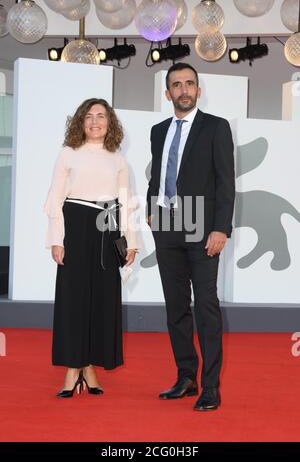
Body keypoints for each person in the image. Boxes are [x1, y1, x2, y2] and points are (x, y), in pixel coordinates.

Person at [146, 63, 235, 411]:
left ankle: (210, 387)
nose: (183, 90)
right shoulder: (158, 130)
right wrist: (153, 208)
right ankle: (186, 376)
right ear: (167, 93)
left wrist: (221, 228)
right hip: (166, 226)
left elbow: (225, 181)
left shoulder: (216, 127)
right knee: (176, 307)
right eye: (176, 85)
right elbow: (159, 173)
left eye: (189, 84)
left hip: (202, 226)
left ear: (199, 90)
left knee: (207, 307)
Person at [44, 98, 139, 397]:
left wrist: (131, 242)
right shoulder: (68, 154)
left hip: (108, 227)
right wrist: (56, 239)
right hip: (75, 225)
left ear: (110, 123)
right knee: (73, 301)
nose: (95, 121)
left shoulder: (118, 160)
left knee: (103, 300)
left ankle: (91, 367)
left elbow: (126, 204)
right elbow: (55, 201)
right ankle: (74, 368)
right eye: (89, 116)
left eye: (101, 116)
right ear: (80, 122)